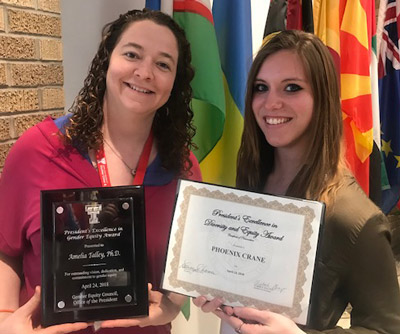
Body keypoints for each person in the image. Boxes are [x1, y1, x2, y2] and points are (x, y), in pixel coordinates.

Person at [0, 8, 201, 334]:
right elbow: (5, 251)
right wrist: (4, 317)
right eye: (132, 54)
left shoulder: (183, 167)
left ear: (175, 82)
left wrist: (168, 308)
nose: (145, 72)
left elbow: (184, 268)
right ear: (107, 59)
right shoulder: (37, 150)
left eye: (163, 64)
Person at [194, 30, 400, 334]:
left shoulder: (353, 217)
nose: (270, 103)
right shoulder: (252, 179)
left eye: (292, 88)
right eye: (261, 88)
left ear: (323, 98)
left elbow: (387, 328)